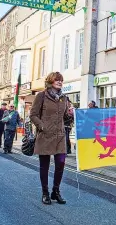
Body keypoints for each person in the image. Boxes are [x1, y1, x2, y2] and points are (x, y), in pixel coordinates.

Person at [30, 72, 73, 205]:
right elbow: (33, 115)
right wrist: (42, 126)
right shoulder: (41, 96)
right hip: (45, 135)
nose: (60, 82)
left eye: (61, 80)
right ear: (50, 81)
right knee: (45, 166)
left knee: (60, 163)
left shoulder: (64, 98)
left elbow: (65, 117)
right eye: (57, 80)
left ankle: (56, 191)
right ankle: (45, 193)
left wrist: (70, 114)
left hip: (60, 136)